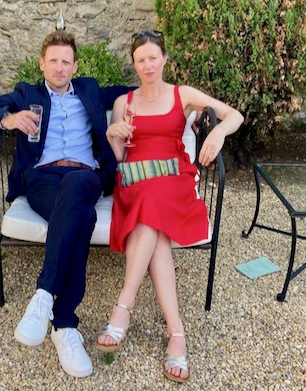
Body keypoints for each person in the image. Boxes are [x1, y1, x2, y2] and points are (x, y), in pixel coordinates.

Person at [0, 31, 131, 378]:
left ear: (75, 66)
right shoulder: (27, 94)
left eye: (65, 61)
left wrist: (185, 102)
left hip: (86, 175)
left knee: (78, 184)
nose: (59, 67)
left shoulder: (89, 89)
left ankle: (44, 294)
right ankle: (65, 325)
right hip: (42, 178)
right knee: (82, 217)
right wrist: (9, 120)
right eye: (53, 60)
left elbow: (136, 93)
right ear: (42, 63)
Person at [95, 30, 244, 383]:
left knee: (153, 204)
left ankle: (124, 307)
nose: (147, 65)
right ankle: (176, 332)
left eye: (153, 58)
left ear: (164, 58)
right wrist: (112, 135)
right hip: (136, 181)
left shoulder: (183, 94)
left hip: (173, 177)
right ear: (134, 65)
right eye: (140, 60)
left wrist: (217, 133)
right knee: (153, 216)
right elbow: (120, 158)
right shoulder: (124, 103)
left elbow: (234, 115)